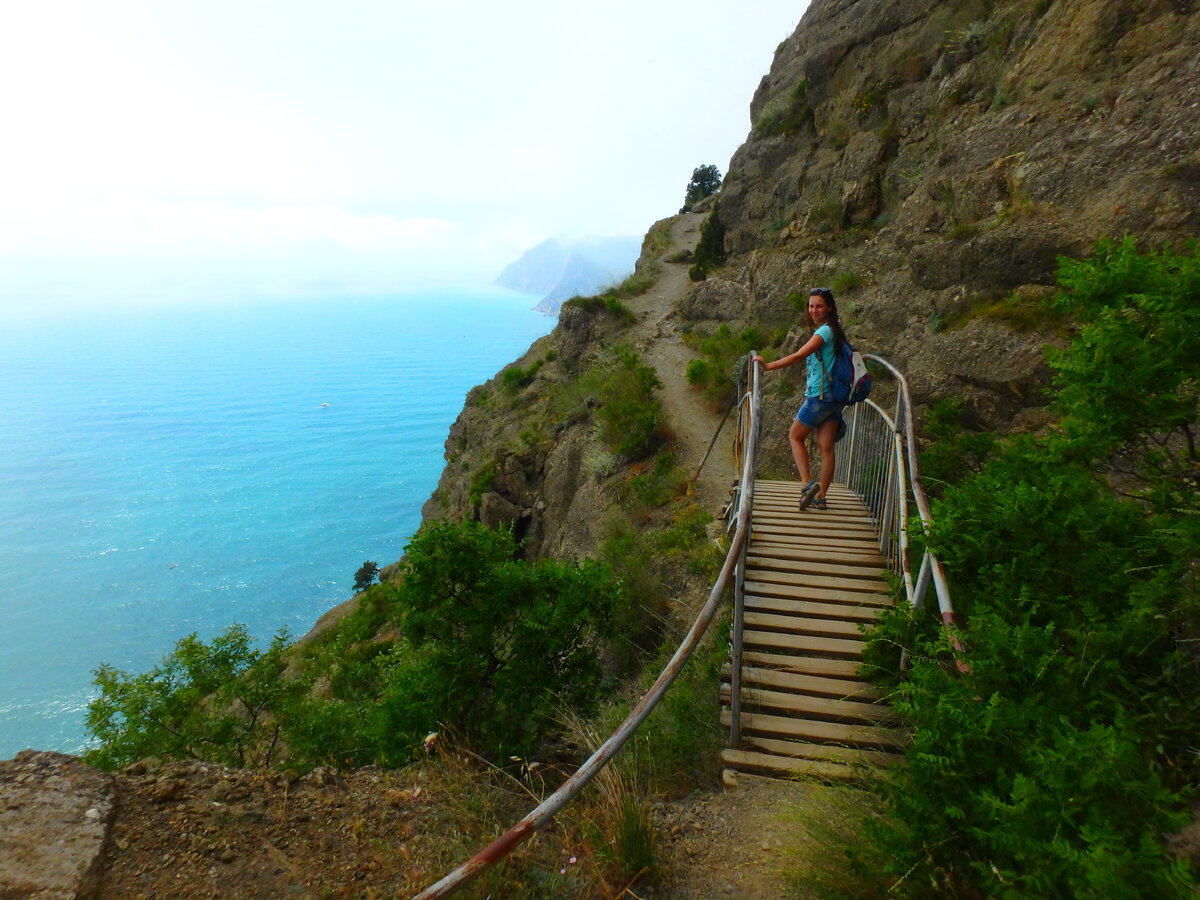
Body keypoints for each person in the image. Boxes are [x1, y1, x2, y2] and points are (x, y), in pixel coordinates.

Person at [752, 287, 850, 511]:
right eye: (811, 306)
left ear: (830, 308)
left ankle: (807, 485)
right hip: (836, 397)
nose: (813, 310)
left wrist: (768, 366)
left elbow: (798, 355)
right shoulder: (836, 330)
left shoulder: (824, 332)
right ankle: (821, 497)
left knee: (795, 436)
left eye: (819, 306)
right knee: (826, 447)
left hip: (820, 396)